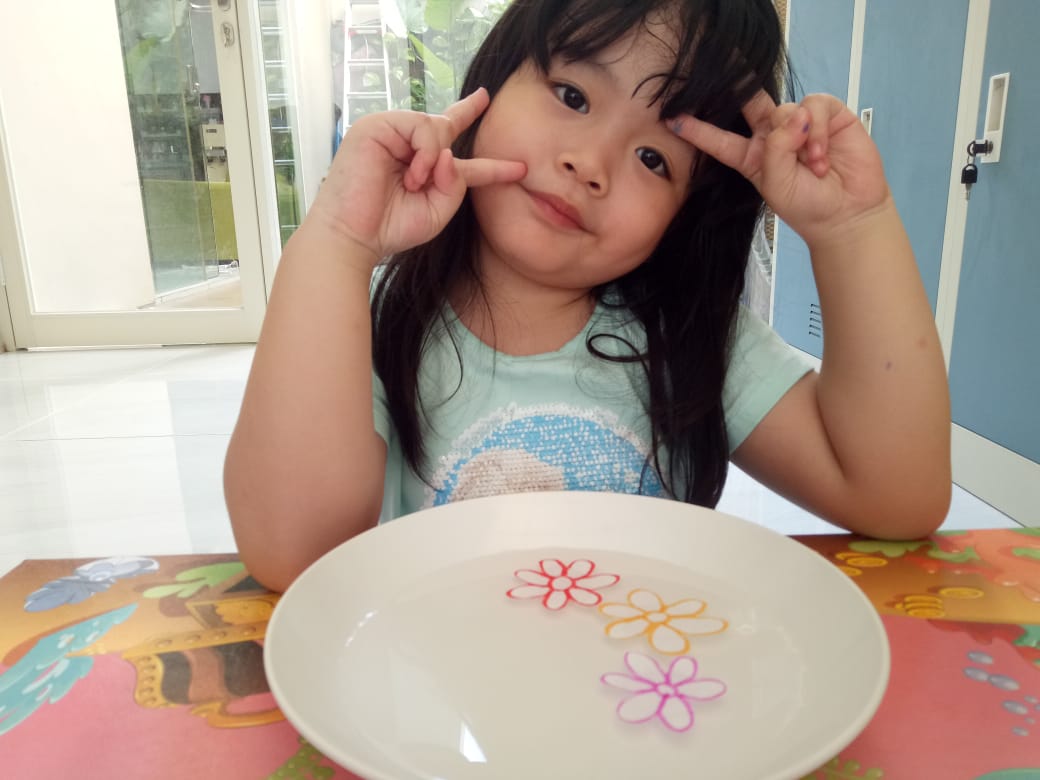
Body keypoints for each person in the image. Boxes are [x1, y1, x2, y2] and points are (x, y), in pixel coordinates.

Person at [224, 0, 951, 592]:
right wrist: (337, 242)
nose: (590, 164)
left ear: (684, 216)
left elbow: (897, 496)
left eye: (653, 158)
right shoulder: (382, 317)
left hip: (652, 699)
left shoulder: (690, 337)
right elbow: (293, 549)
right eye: (572, 95)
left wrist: (852, 229)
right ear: (493, 80)